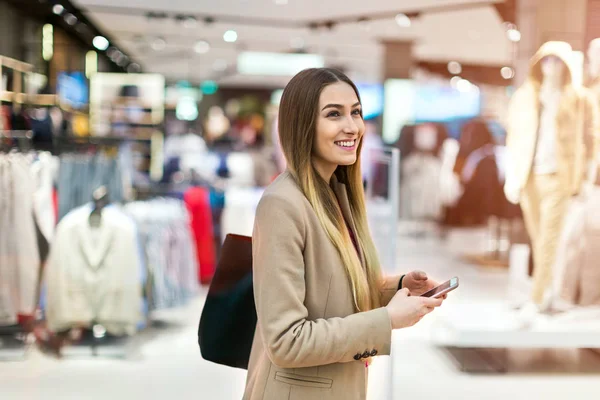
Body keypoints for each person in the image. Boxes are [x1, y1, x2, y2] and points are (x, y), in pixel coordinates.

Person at [243, 68, 445, 400]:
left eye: (356, 112)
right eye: (334, 114)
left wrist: (398, 287)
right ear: (303, 123)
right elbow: (285, 341)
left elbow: (333, 295)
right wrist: (386, 320)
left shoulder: (336, 194)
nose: (352, 126)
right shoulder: (282, 204)